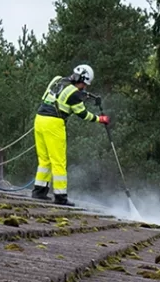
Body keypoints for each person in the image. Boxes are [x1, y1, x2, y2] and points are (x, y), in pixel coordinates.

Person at [33, 64, 109, 206]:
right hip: (54, 123)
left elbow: (58, 96)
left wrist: (84, 95)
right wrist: (100, 119)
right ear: (81, 79)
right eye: (84, 84)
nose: (84, 87)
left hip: (39, 120)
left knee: (44, 160)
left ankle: (39, 192)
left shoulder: (57, 80)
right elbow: (82, 114)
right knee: (58, 161)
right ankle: (61, 197)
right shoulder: (75, 93)